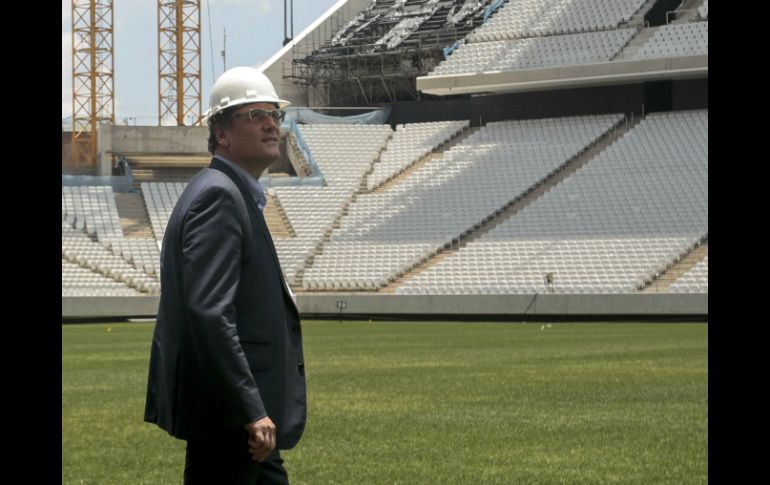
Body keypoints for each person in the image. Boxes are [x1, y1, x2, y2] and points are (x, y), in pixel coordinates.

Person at [144, 66, 306, 484]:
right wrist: (250, 408)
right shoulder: (219, 195)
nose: (271, 124)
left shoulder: (228, 191)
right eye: (255, 115)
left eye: (274, 114)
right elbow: (209, 312)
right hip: (232, 418)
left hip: (237, 417)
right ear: (221, 133)